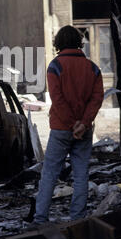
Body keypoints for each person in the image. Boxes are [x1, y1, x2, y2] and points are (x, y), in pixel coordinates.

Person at [33, 25, 104, 224]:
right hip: (84, 130)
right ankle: (78, 219)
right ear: (79, 43)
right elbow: (97, 98)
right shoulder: (93, 68)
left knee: (50, 174)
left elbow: (57, 99)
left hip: (61, 128)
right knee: (81, 175)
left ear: (59, 43)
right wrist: (84, 123)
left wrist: (73, 124)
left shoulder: (55, 66)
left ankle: (41, 218)